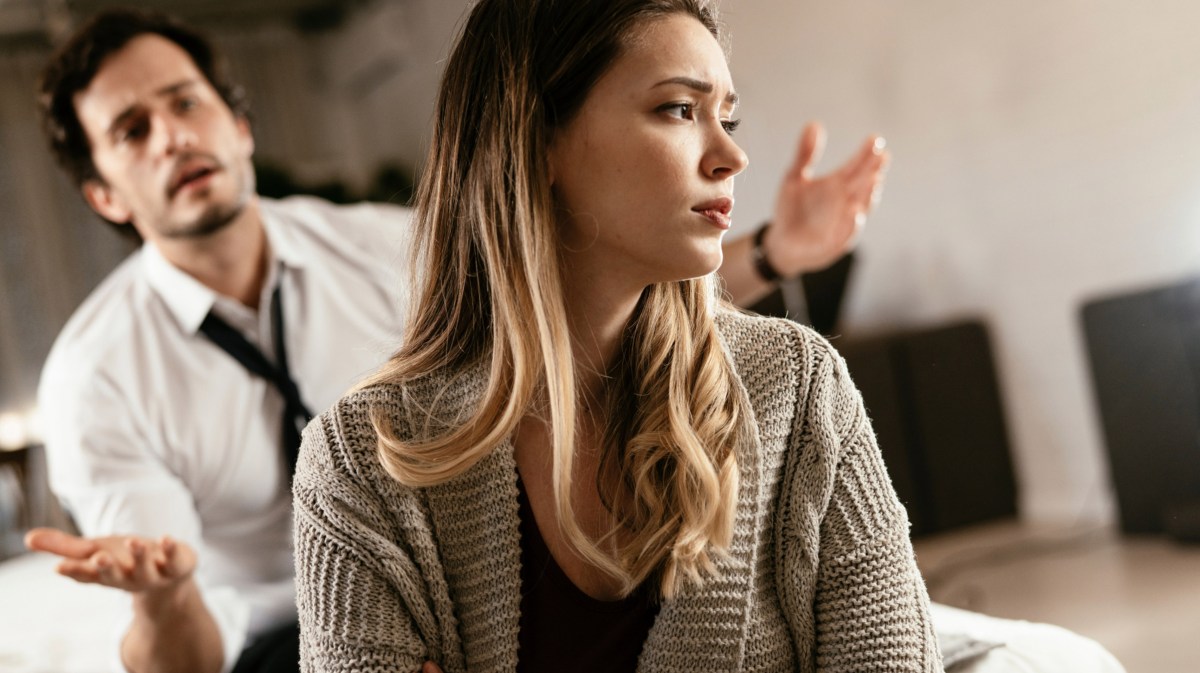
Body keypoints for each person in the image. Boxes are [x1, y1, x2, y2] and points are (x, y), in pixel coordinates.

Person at [22, 6, 889, 673]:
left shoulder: (372, 244)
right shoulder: (96, 377)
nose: (174, 135)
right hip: (272, 629)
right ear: (103, 193)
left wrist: (773, 252)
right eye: (133, 130)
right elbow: (185, 646)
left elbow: (581, 296)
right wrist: (167, 595)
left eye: (186, 103)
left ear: (239, 125)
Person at [292, 0, 938, 671]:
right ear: (535, 140)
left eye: (728, 116)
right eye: (680, 109)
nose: (732, 155)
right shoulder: (362, 462)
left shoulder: (800, 389)